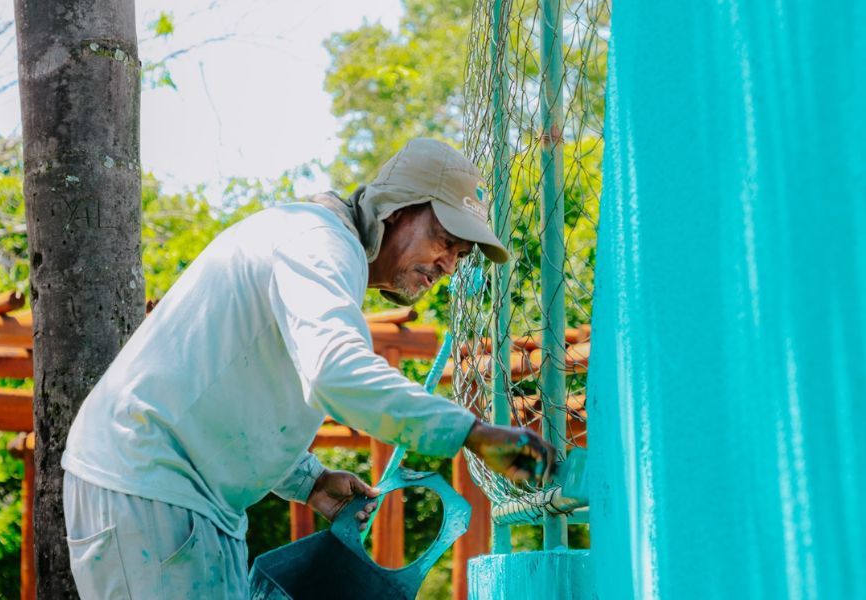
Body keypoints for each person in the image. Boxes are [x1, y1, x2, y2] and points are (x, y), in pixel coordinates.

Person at [61, 138, 556, 598]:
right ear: (400, 209)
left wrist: (310, 480)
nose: (448, 264)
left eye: (460, 254)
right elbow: (334, 371)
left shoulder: (318, 248)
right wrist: (470, 433)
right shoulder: (320, 244)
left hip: (184, 498)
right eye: (445, 239)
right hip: (149, 487)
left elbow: (232, 383)